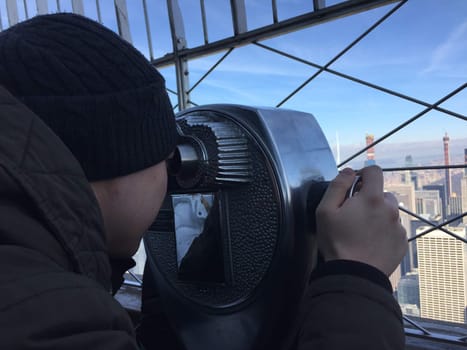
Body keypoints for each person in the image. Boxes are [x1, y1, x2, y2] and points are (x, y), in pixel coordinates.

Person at [0, 13, 407, 350]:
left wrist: (175, 294)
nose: (172, 181)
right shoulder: (49, 317)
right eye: (166, 159)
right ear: (116, 162)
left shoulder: (34, 285)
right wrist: (358, 276)